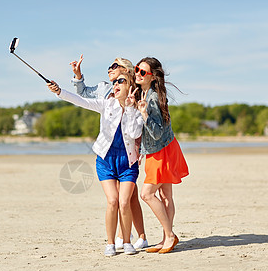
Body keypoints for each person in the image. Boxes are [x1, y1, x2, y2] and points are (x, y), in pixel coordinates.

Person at [46, 72, 144, 257]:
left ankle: (127, 241)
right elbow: (81, 100)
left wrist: (130, 108)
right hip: (105, 159)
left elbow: (134, 132)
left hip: (127, 163)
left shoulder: (137, 109)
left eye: (120, 81)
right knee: (113, 201)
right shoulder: (106, 104)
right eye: (113, 82)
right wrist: (59, 91)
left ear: (131, 86)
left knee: (124, 202)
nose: (114, 84)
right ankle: (110, 243)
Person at [69, 55, 148, 250]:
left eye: (115, 66)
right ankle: (124, 235)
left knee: (129, 197)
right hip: (109, 150)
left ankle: (135, 235)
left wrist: (140, 151)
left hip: (129, 149)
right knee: (122, 198)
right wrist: (78, 77)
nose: (110, 69)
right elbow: (84, 95)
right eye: (110, 67)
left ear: (127, 71)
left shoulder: (136, 92)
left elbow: (139, 127)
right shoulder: (106, 88)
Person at [135, 57, 189, 254]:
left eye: (143, 72)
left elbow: (156, 132)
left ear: (152, 77)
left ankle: (170, 234)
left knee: (147, 194)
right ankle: (166, 238)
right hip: (160, 149)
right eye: (137, 69)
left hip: (161, 151)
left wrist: (144, 114)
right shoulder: (145, 92)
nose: (138, 74)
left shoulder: (153, 98)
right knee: (165, 195)